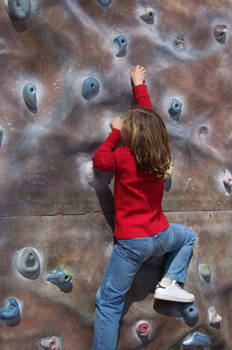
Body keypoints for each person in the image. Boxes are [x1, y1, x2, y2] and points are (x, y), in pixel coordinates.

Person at [92, 65, 195, 350]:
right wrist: (139, 86)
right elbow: (152, 121)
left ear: (131, 134)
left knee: (109, 302)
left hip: (132, 244)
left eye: (126, 123)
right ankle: (171, 282)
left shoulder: (123, 156)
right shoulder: (159, 152)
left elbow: (100, 161)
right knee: (187, 236)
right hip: (161, 236)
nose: (123, 123)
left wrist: (114, 133)